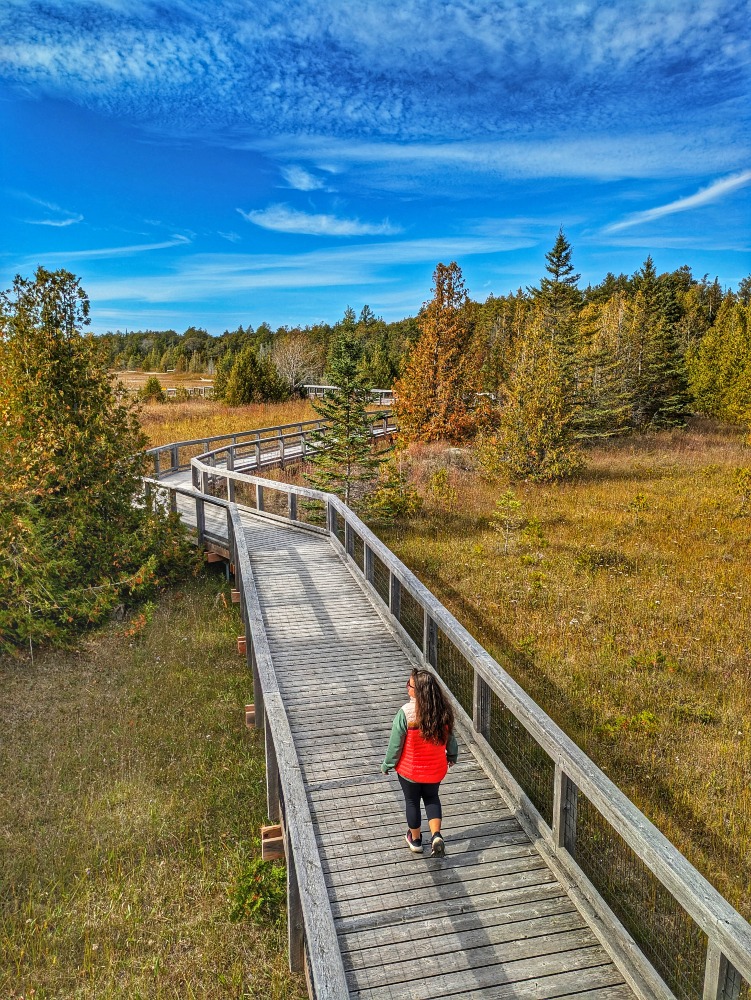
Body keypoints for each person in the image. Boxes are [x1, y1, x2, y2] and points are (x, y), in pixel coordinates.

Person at [381, 667, 459, 857]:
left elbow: (395, 744)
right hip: (435, 770)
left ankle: (415, 840)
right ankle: (436, 835)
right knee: (432, 798)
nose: (407, 687)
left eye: (410, 685)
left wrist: (387, 764)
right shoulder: (442, 712)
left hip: (410, 771)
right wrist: (452, 756)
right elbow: (451, 740)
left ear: (417, 691)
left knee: (412, 802)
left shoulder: (406, 713)